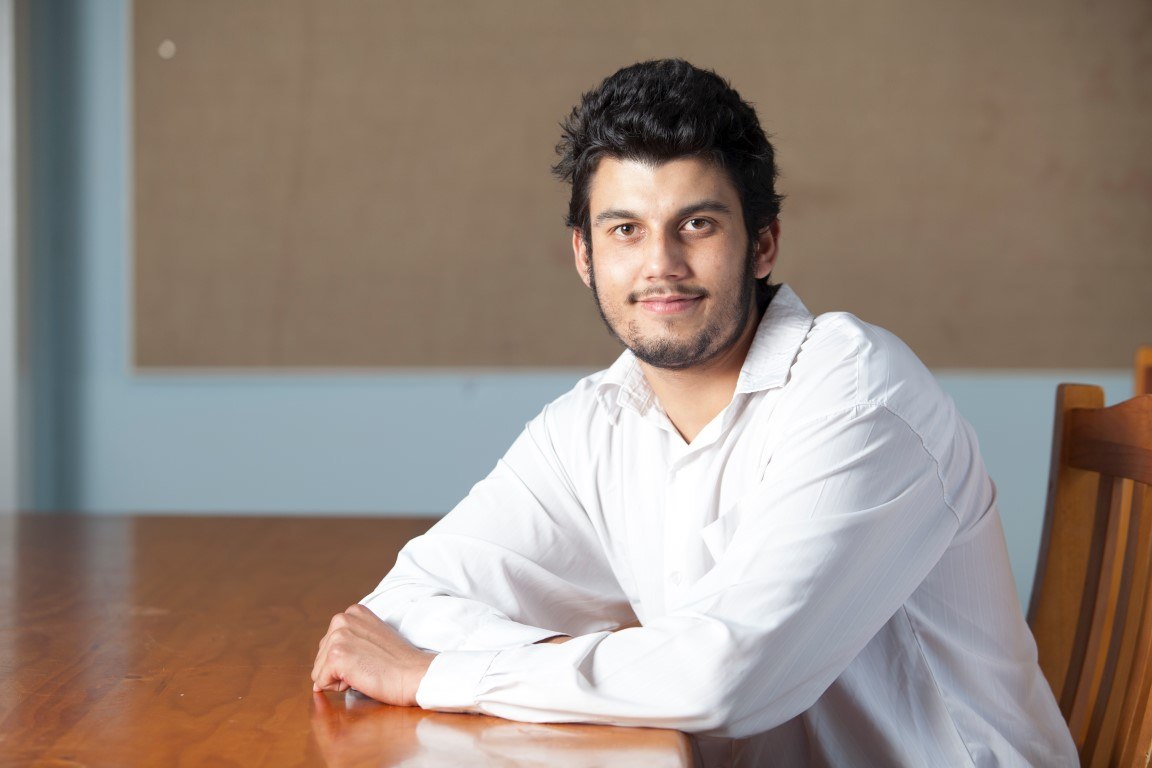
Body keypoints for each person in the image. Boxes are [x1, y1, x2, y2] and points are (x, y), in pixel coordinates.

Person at [312, 59, 1076, 766]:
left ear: (763, 244)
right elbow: (404, 609)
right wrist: (635, 666)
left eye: (698, 225)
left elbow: (723, 680)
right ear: (584, 255)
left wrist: (439, 677)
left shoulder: (857, 393)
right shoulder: (593, 425)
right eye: (625, 230)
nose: (661, 265)